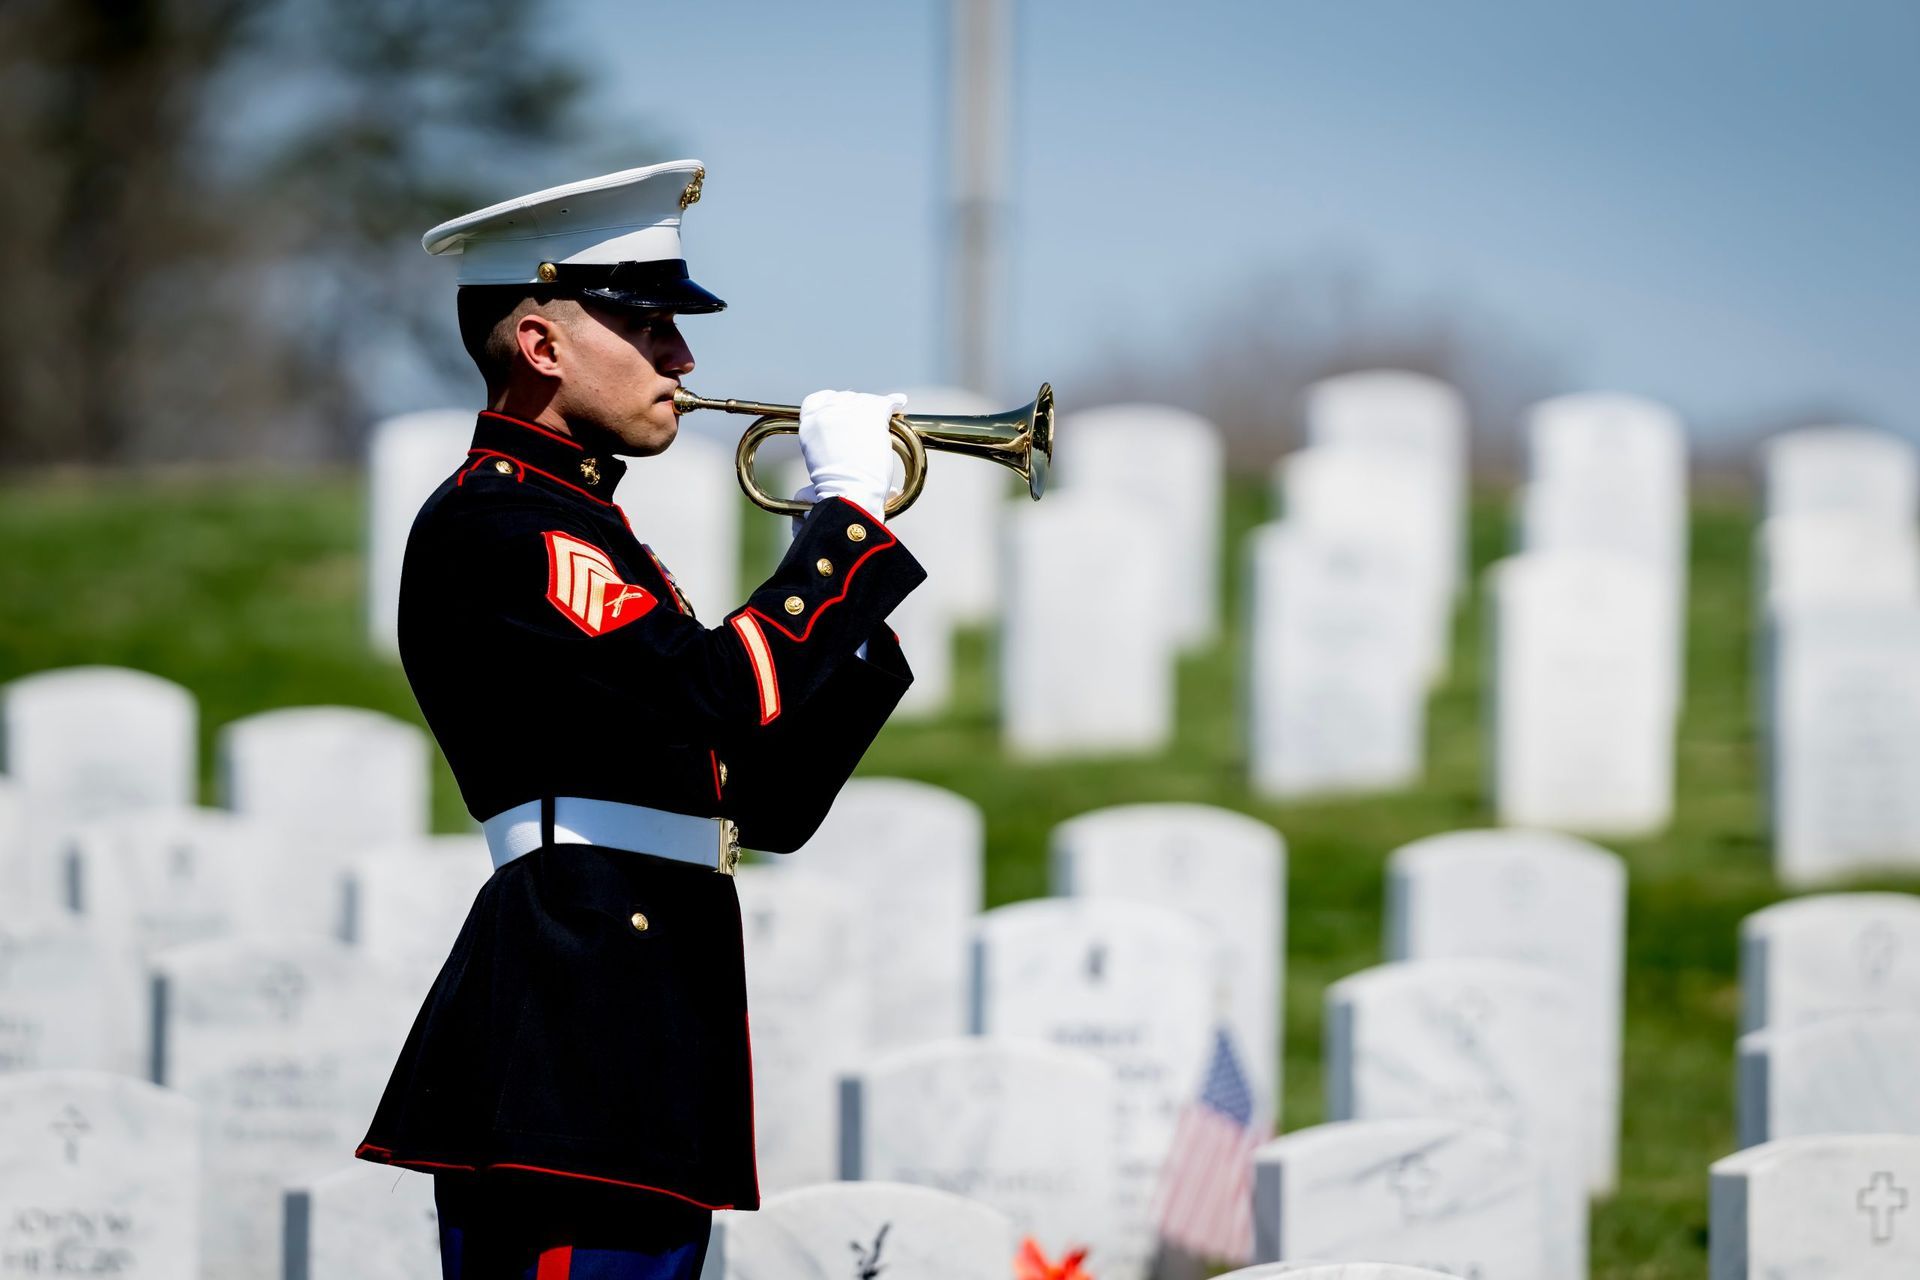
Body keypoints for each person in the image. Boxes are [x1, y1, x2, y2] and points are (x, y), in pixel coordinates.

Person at [355, 160, 926, 1279]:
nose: (684, 358)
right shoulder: (507, 522)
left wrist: (853, 615)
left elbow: (765, 799)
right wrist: (841, 532)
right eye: (651, 324)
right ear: (542, 345)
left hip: (640, 1018)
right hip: (574, 1011)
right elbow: (712, 691)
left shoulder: (583, 524)